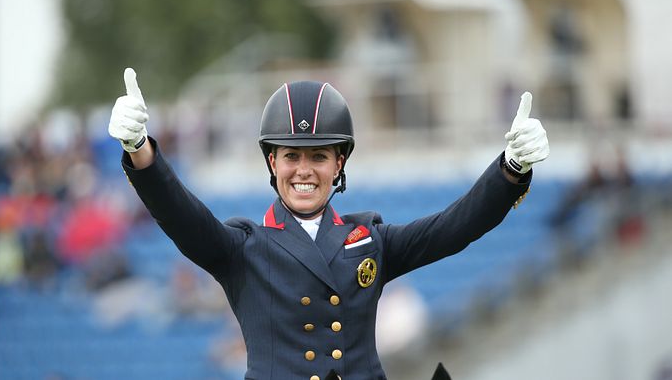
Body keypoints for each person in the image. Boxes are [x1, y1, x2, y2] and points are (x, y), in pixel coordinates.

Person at [108, 68, 549, 380]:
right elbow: (181, 214)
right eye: (292, 156)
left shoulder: (370, 240)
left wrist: (511, 169)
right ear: (272, 161)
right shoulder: (242, 247)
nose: (304, 170)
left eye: (318, 156)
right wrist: (140, 150)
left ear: (339, 164)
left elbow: (455, 227)